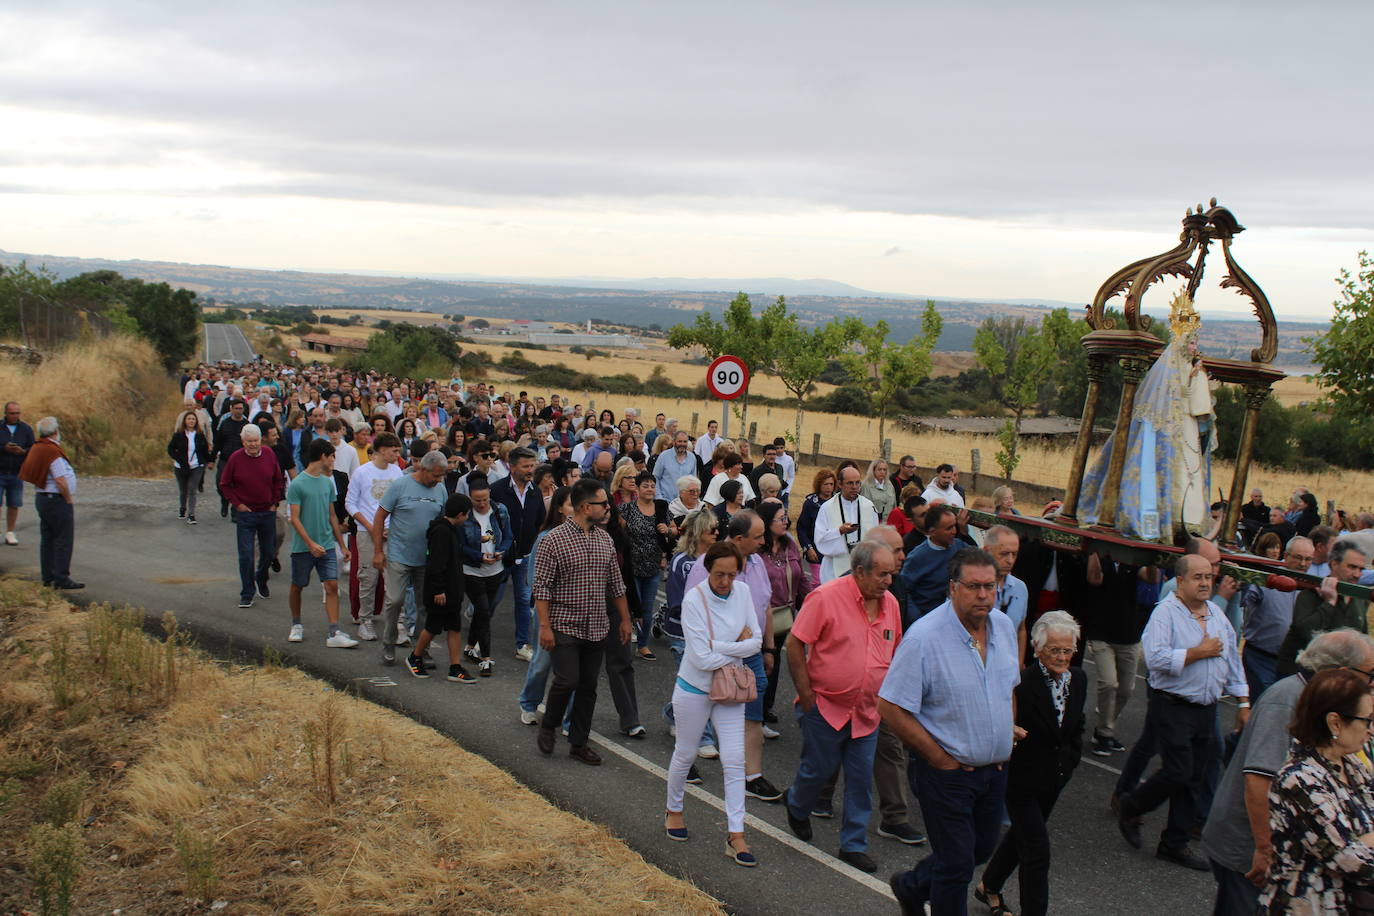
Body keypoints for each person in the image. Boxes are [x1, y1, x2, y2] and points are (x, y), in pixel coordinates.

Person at [881, 548, 1020, 915]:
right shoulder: (925, 638)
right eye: (973, 586)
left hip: (994, 771)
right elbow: (891, 706)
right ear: (952, 588)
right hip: (946, 774)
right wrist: (940, 759)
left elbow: (1008, 688)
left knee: (978, 850)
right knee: (957, 863)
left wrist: (1006, 735)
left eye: (989, 586)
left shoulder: (1004, 627)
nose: (983, 595)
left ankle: (911, 887)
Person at [1201, 629, 1374, 916]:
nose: (1372, 683)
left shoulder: (1346, 757)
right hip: (1251, 849)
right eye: (1370, 673)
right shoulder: (1287, 701)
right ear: (1343, 673)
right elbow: (1258, 778)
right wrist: (1263, 848)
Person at [1116, 554, 1250, 870]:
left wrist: (1243, 702)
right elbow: (1155, 658)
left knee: (1195, 777)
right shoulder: (1166, 614)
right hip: (1172, 704)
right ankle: (1132, 805)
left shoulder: (1217, 614)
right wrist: (1196, 653)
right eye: (1197, 577)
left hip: (1206, 708)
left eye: (1208, 577)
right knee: (1178, 770)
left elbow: (1231, 660)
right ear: (1180, 581)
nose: (1205, 583)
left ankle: (1173, 844)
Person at [782, 540, 902, 874]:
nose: (888, 581)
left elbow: (895, 651)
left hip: (867, 713)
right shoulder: (825, 597)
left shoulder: (890, 603)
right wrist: (806, 696)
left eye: (891, 574)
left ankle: (853, 844)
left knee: (861, 781)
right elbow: (795, 642)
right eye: (882, 574)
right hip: (826, 707)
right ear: (860, 571)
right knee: (817, 771)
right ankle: (797, 804)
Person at [976, 611, 1087, 916]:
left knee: (1022, 837)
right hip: (1020, 781)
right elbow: (999, 720)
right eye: (1054, 650)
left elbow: (1076, 726)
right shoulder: (1022, 684)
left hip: (1054, 779)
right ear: (1037, 648)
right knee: (1036, 851)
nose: (1062, 657)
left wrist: (1071, 761)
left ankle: (989, 885)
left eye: (1068, 650)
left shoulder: (1079, 679)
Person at [1080, 293, 1216, 539]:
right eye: (1192, 341)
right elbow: (1193, 405)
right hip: (1175, 429)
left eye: (1196, 342)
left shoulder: (1193, 370)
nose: (1195, 347)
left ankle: (1190, 521)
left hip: (1187, 430)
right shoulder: (1175, 370)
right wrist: (1197, 384)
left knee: (1189, 476)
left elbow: (1197, 409)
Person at [664, 540, 762, 868]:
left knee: (734, 760)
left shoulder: (743, 593)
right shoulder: (695, 599)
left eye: (732, 575)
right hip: (694, 687)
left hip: (730, 687)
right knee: (686, 752)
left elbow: (756, 642)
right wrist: (736, 644)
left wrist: (724, 645)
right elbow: (700, 659)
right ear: (708, 570)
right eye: (720, 575)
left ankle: (736, 835)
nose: (725, 582)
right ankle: (674, 809)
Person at [533, 479, 634, 766]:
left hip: (597, 626)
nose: (607, 508)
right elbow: (542, 588)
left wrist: (625, 620)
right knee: (567, 680)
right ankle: (549, 724)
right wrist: (545, 626)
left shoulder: (605, 539)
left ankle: (579, 743)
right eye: (603, 503)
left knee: (588, 687)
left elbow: (616, 584)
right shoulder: (554, 540)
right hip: (564, 623)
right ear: (586, 507)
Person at [1259, 667, 1374, 914]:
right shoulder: (1299, 779)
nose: (1371, 730)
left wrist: (1363, 839)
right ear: (1335, 722)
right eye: (1367, 720)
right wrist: (1361, 841)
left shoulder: (1352, 765)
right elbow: (1352, 862)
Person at [686, 511, 783, 802]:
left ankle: (751, 776)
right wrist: (727, 639)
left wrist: (768, 647)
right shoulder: (708, 565)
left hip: (750, 653)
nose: (763, 542)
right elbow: (693, 610)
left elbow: (765, 606)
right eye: (757, 537)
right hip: (714, 652)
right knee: (701, 704)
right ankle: (685, 759)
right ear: (739, 539)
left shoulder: (756, 564)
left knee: (752, 708)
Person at [371, 451, 449, 662]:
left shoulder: (441, 490)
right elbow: (379, 517)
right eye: (435, 475)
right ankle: (389, 642)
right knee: (395, 600)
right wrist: (378, 551)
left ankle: (420, 648)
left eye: (442, 476)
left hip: (426, 558)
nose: (438, 480)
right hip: (399, 555)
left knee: (425, 605)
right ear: (422, 469)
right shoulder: (400, 485)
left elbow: (445, 523)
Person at [283, 438, 357, 648]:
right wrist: (310, 544)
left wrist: (342, 546)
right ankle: (296, 624)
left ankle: (334, 631)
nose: (334, 460)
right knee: (298, 585)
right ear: (323, 456)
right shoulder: (297, 484)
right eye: (332, 455)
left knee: (332, 585)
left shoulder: (327, 482)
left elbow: (332, 515)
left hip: (326, 544)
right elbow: (294, 518)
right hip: (303, 546)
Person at [1084, 552, 1157, 756]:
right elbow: (1094, 578)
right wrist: (1096, 547)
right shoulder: (1102, 559)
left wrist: (1153, 556)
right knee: (1108, 683)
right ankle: (1105, 733)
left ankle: (1103, 727)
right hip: (1102, 633)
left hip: (1129, 635)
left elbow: (1152, 578)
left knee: (1126, 690)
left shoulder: (1133, 561)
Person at [517, 486, 575, 724]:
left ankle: (570, 719)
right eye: (572, 504)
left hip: (575, 613)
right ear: (560, 508)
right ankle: (529, 703)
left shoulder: (588, 535)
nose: (577, 509)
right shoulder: (545, 538)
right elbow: (533, 580)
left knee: (573, 670)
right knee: (542, 663)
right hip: (548, 611)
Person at [1277, 539, 1369, 675]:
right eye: (1352, 567)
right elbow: (1307, 633)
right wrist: (1329, 603)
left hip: (1340, 678)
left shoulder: (1359, 598)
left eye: (1361, 569)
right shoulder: (1311, 593)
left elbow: (1362, 637)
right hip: (1303, 676)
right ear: (1334, 564)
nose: (1357, 574)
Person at [345, 431, 402, 640]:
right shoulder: (362, 472)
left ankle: (395, 623)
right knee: (368, 577)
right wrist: (369, 525)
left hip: (390, 533)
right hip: (366, 532)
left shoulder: (397, 472)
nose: (397, 454)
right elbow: (350, 503)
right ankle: (365, 619)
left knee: (393, 578)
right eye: (394, 450)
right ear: (383, 450)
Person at [758, 500, 811, 726]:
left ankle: (764, 709)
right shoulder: (757, 548)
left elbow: (801, 579)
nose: (786, 522)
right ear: (767, 523)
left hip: (783, 616)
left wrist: (813, 603)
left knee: (774, 661)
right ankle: (750, 712)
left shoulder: (790, 544)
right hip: (759, 617)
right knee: (757, 663)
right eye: (781, 519)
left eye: (786, 517)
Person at [218, 424, 283, 608]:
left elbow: (278, 479)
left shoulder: (269, 455)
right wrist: (237, 504)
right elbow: (225, 484)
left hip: (266, 512)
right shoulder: (235, 459)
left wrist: (274, 501)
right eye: (249, 442)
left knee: (269, 551)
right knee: (246, 554)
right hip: (246, 515)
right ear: (243, 441)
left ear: (261, 440)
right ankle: (247, 592)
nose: (253, 445)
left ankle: (261, 578)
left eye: (255, 441)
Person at [1241, 536, 1314, 699]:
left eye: (1308, 559)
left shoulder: (1311, 585)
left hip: (1292, 662)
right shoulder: (1267, 578)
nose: (1303, 564)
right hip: (1260, 658)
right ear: (1286, 556)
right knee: (1261, 705)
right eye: (1298, 558)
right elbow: (1245, 599)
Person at [491, 446, 545, 662]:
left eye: (532, 465)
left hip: (526, 556)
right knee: (492, 599)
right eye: (526, 466)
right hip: (501, 556)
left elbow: (539, 520)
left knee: (524, 600)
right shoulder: (497, 490)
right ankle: (477, 640)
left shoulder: (535, 491)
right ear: (512, 467)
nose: (530, 470)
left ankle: (522, 644)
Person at [456, 475, 511, 677]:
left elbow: (508, 536)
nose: (481, 504)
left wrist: (501, 551)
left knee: (482, 611)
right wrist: (479, 556)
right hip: (472, 570)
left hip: (495, 570)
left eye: (485, 499)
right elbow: (460, 546)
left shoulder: (499, 510)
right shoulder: (465, 516)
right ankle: (486, 659)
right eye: (477, 500)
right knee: (483, 610)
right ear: (470, 498)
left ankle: (470, 646)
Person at [18, 416, 82, 589]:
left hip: (43, 498)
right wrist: (68, 499)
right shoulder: (51, 451)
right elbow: (60, 479)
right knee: (63, 539)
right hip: (55, 499)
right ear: (55, 432)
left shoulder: (38, 448)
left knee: (48, 538)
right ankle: (61, 578)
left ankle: (48, 576)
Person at [619, 471, 674, 659]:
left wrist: (668, 530)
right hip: (631, 565)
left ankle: (643, 645)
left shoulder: (661, 508)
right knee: (631, 607)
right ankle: (623, 640)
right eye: (645, 485)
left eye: (652, 485)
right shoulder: (627, 509)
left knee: (647, 608)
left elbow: (675, 529)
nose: (650, 489)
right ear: (638, 488)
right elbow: (617, 532)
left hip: (653, 565)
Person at [896, 504, 961, 624]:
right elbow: (903, 590)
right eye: (949, 528)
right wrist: (917, 619)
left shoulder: (958, 546)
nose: (954, 531)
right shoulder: (917, 558)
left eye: (955, 526)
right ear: (933, 532)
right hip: (928, 620)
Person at [813, 465, 879, 582]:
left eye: (858, 483)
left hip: (862, 568)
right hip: (834, 570)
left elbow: (876, 539)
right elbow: (820, 540)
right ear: (839, 484)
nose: (854, 487)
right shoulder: (827, 507)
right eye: (850, 483)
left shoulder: (868, 506)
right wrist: (839, 531)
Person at [167, 409, 212, 524]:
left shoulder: (200, 435)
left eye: (193, 419)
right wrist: (179, 459)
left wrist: (210, 461)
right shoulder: (178, 435)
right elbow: (171, 449)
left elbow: (204, 450)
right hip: (181, 466)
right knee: (183, 490)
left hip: (196, 466)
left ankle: (191, 514)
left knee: (192, 489)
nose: (191, 421)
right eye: (189, 419)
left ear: (196, 421)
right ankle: (182, 508)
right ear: (185, 421)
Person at [0, 401, 35, 544]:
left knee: (14, 503)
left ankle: (10, 532)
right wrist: (4, 448)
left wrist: (23, 451)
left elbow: (33, 448)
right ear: (5, 413)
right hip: (0, 470)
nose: (15, 416)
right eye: (12, 413)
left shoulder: (26, 429)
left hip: (16, 472)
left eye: (17, 413)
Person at [212, 397, 251, 517]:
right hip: (225, 458)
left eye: (241, 408)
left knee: (238, 486)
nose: (239, 411)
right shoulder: (225, 423)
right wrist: (211, 459)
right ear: (231, 409)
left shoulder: (246, 425)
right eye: (236, 408)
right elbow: (218, 442)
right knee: (221, 483)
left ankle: (235, 510)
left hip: (241, 460)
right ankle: (224, 502)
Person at [797, 469, 835, 582]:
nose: (829, 487)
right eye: (826, 484)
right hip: (815, 552)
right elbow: (802, 528)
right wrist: (808, 548)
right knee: (816, 584)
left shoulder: (838, 502)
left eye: (831, 484)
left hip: (833, 553)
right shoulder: (810, 504)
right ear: (819, 485)